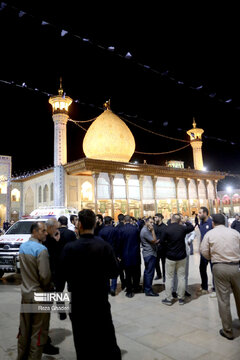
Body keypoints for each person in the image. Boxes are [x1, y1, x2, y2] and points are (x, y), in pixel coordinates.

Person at [60, 209, 121, 360]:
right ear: (95, 224)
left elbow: (61, 275)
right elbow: (114, 273)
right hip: (99, 301)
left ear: (79, 224)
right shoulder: (104, 246)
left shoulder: (70, 248)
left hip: (79, 303)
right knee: (105, 339)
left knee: (82, 342)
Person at [200, 213, 240, 340]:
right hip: (235, 267)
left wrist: (212, 258)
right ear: (226, 222)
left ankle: (228, 331)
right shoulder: (234, 233)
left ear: (213, 223)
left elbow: (204, 251)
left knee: (223, 299)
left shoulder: (210, 234)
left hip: (219, 267)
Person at [17, 222, 52, 360]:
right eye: (43, 231)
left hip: (26, 295)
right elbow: (45, 276)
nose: (46, 233)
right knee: (38, 333)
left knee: (24, 331)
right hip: (39, 296)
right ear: (35, 232)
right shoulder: (41, 250)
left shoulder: (23, 247)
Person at [161, 214, 194, 306]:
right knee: (181, 277)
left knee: (169, 278)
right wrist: (185, 221)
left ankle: (168, 299)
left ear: (171, 219)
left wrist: (168, 247)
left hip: (170, 257)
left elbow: (162, 242)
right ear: (179, 220)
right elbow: (191, 227)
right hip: (181, 256)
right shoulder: (182, 228)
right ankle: (181, 298)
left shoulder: (166, 229)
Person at [117, 215, 141, 298]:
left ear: (124, 221)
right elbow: (139, 240)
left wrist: (119, 255)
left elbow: (119, 243)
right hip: (135, 253)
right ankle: (136, 287)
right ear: (130, 220)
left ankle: (129, 290)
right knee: (136, 272)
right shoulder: (136, 229)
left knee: (127, 273)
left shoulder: (121, 230)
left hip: (125, 254)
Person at [172, 216, 195, 298]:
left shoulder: (185, 227)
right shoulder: (172, 227)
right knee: (175, 273)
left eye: (183, 218)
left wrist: (190, 240)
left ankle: (184, 289)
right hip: (175, 253)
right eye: (181, 218)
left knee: (185, 273)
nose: (182, 220)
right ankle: (174, 290)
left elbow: (193, 232)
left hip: (185, 252)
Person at [99, 216, 119, 296]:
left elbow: (100, 243)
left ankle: (107, 288)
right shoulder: (115, 230)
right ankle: (113, 288)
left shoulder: (101, 231)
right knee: (114, 270)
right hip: (113, 252)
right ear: (111, 222)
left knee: (105, 271)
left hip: (104, 253)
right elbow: (118, 242)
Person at [198, 207, 216, 297]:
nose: (198, 214)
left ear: (205, 213)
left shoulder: (211, 223)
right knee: (202, 268)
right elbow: (202, 236)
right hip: (203, 252)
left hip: (212, 251)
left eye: (200, 213)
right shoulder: (201, 222)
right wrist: (200, 246)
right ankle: (204, 287)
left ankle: (215, 289)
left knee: (214, 270)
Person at [140, 217, 159, 296]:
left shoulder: (145, 229)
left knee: (147, 271)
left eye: (153, 222)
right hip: (149, 253)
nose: (152, 224)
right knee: (150, 272)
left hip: (148, 253)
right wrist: (153, 230)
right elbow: (153, 240)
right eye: (150, 222)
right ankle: (148, 290)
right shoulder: (145, 231)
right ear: (146, 222)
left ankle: (145, 287)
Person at [154, 213, 167, 282]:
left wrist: (160, 240)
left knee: (164, 262)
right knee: (156, 262)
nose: (154, 219)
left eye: (156, 217)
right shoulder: (154, 226)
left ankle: (165, 275)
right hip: (155, 248)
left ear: (160, 218)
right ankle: (159, 274)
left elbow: (166, 237)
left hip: (163, 247)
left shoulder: (165, 226)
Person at [115, 213, 126, 290]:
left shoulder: (116, 228)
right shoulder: (126, 227)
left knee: (121, 269)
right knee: (128, 269)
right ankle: (128, 283)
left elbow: (116, 242)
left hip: (119, 252)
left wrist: (118, 254)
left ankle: (123, 283)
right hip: (126, 251)